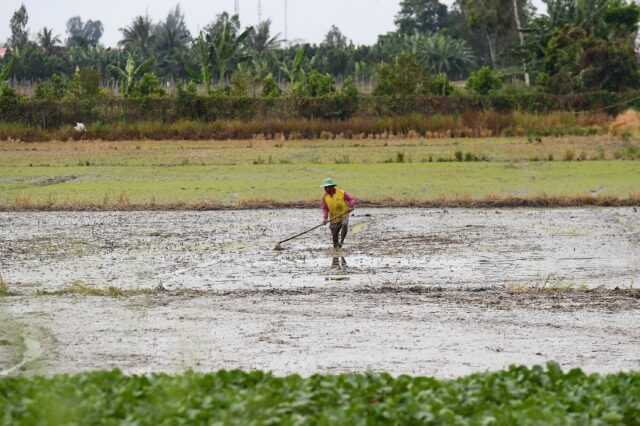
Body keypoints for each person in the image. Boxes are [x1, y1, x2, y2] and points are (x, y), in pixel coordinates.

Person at [321, 178, 355, 248]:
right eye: (325, 188)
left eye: (328, 187)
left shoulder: (342, 193)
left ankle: (342, 241)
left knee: (344, 224)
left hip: (343, 214)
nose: (326, 189)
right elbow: (325, 208)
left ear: (332, 187)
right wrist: (325, 218)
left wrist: (350, 207)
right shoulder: (324, 197)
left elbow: (351, 199)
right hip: (333, 218)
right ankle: (336, 247)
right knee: (334, 238)